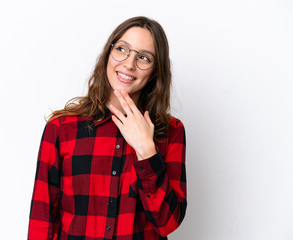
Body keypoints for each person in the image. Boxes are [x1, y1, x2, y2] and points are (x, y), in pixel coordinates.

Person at [27, 16, 187, 240]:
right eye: (122, 49)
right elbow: (42, 221)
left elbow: (167, 223)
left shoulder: (171, 132)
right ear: (107, 55)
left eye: (143, 57)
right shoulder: (61, 128)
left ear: (155, 72)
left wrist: (146, 151)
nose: (129, 64)